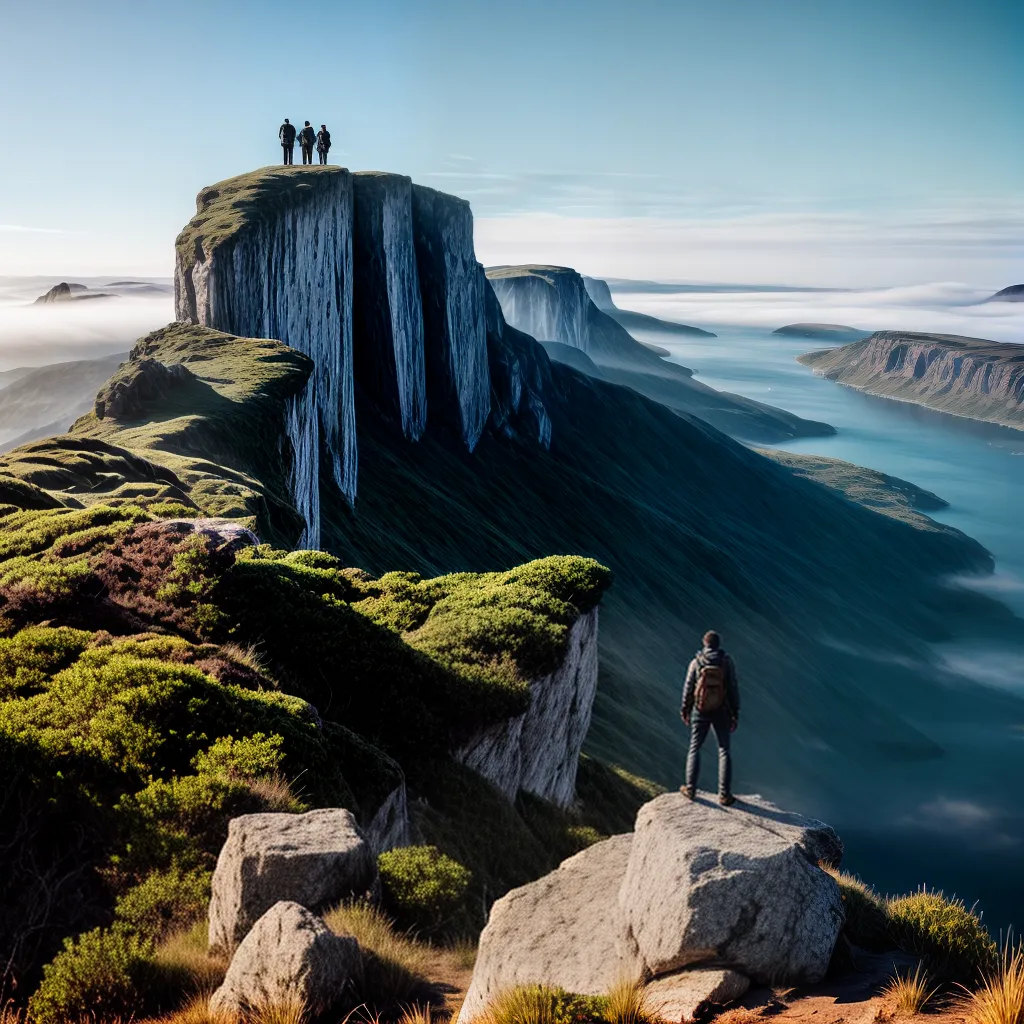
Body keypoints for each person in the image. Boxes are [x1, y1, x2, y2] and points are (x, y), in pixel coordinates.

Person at [680, 630, 740, 806]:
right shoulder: (726, 662)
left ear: (704, 643)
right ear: (718, 644)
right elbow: (733, 687)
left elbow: (689, 687)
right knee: (724, 751)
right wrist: (735, 712)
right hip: (722, 710)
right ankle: (724, 795)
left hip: (700, 710)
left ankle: (690, 789)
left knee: (694, 748)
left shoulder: (696, 662)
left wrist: (685, 709)